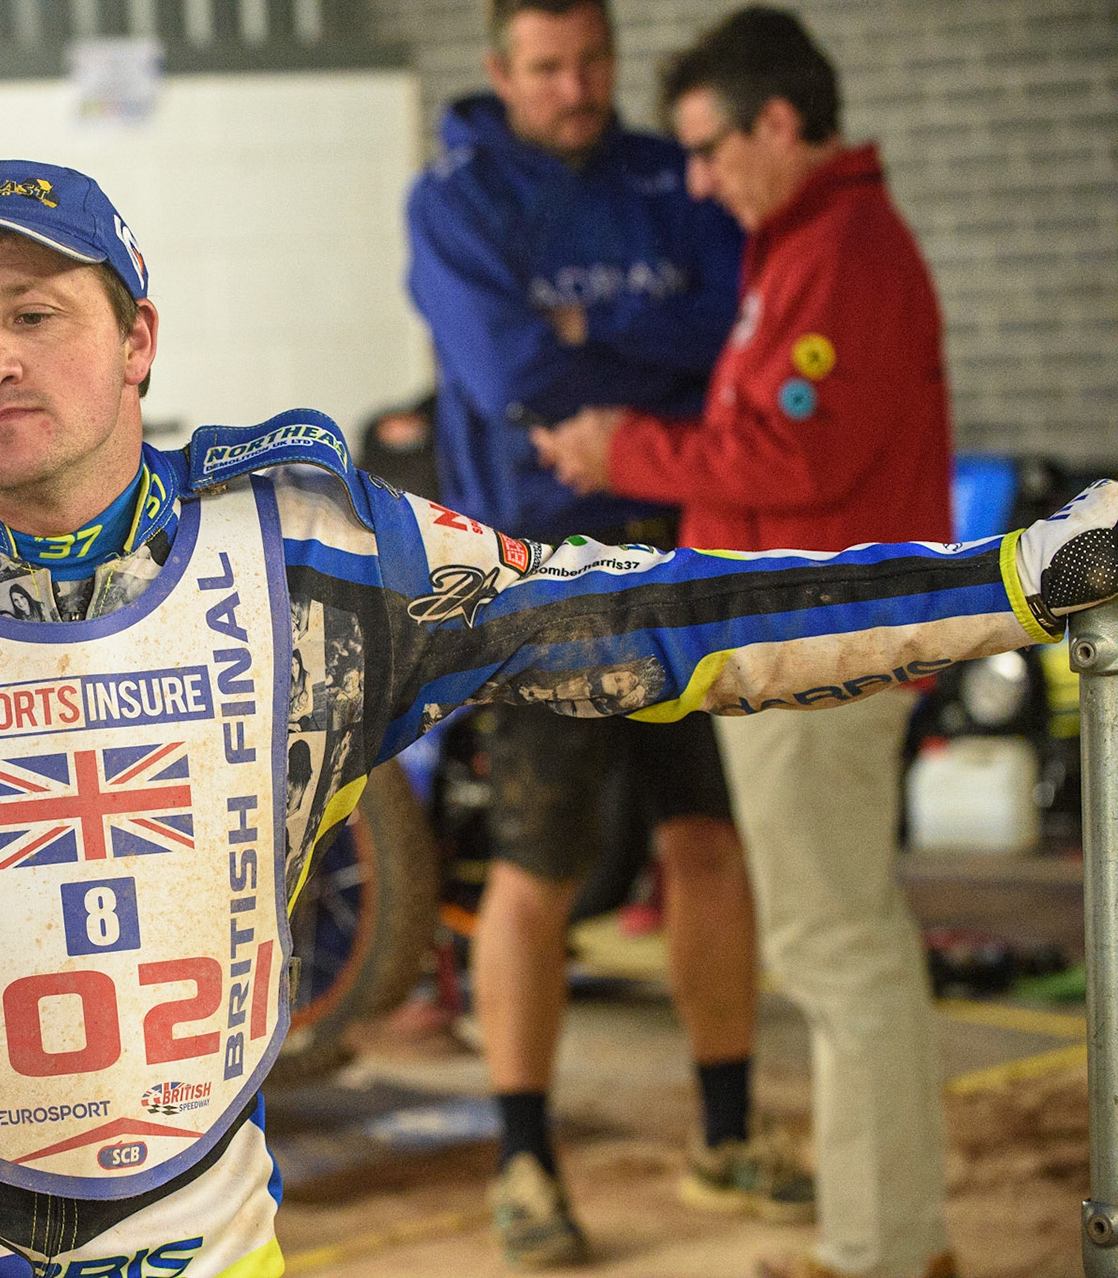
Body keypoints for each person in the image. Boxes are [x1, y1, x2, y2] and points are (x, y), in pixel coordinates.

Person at [0, 157, 1118, 1278]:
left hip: (204, 1242)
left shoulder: (318, 551)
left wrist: (1015, 580)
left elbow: (661, 618)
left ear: (137, 339)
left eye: (38, 313)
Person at [533, 11, 958, 1278]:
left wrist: (627, 449)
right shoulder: (804, 244)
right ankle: (893, 1238)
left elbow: (797, 455)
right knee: (844, 942)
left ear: (778, 123)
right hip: (807, 638)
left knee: (836, 948)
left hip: (826, 648)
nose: (702, 179)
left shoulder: (841, 251)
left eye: (712, 149)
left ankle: (880, 1251)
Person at [404, 0, 776, 1262]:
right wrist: (636, 355)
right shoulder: (454, 201)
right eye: (549, 67)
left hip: (688, 552)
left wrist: (584, 330)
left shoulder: (671, 173)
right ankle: (524, 1162)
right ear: (500, 70)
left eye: (594, 62)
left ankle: (727, 1136)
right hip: (539, 576)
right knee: (538, 869)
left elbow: (728, 334)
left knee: (708, 843)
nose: (576, 87)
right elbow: (513, 375)